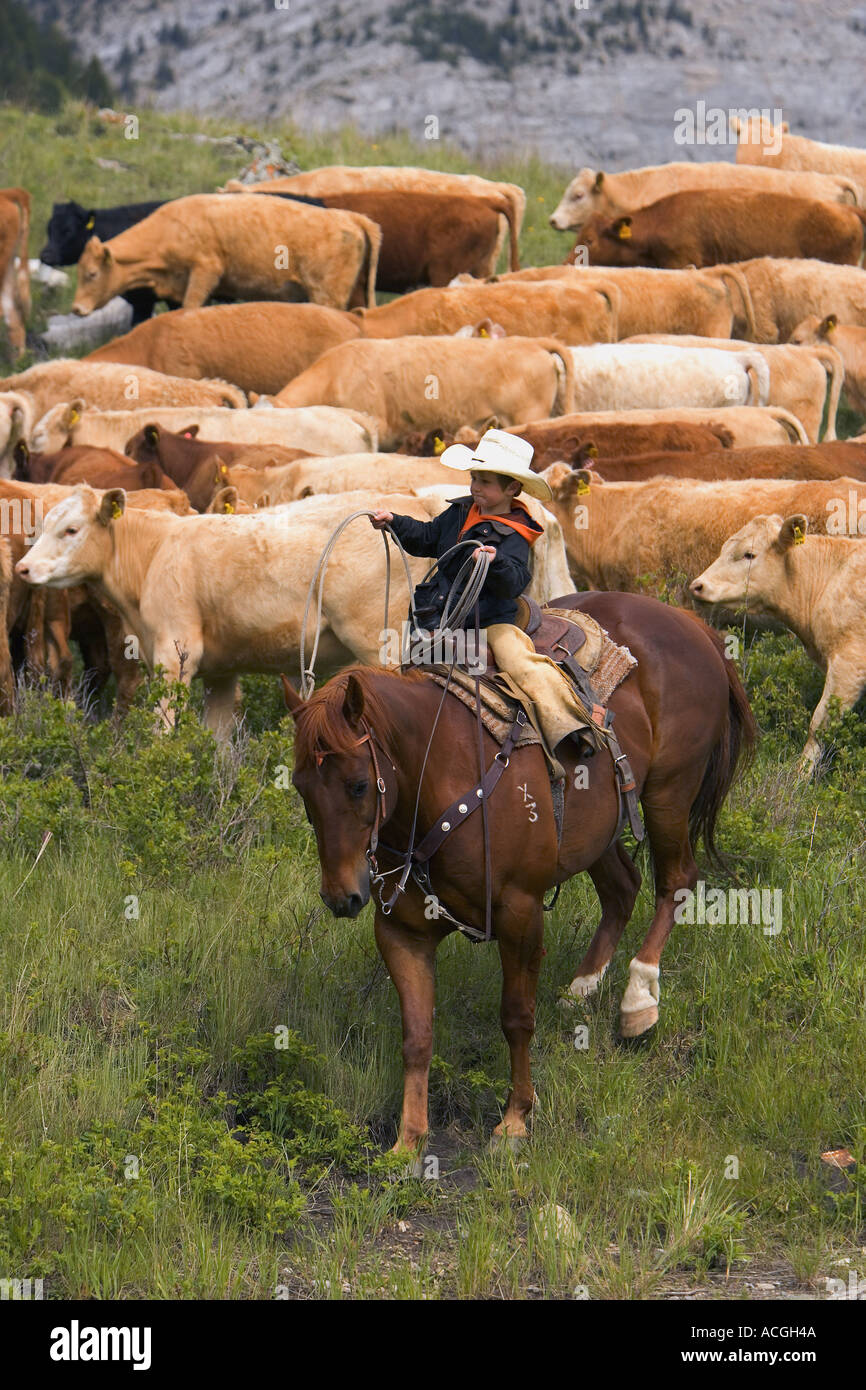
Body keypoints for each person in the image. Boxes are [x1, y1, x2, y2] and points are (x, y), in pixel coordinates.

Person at [369, 428, 593, 772]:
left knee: (522, 665)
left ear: (512, 489)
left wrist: (495, 562)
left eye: (486, 482)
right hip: (442, 619)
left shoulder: (516, 531)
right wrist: (395, 523)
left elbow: (517, 580)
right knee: (404, 667)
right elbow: (428, 537)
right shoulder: (460, 514)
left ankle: (572, 725)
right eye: (475, 478)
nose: (475, 487)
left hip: (489, 622)